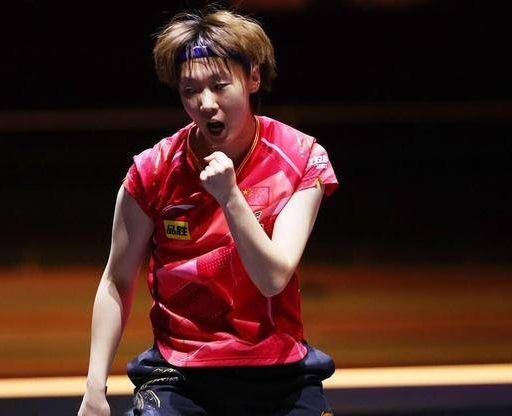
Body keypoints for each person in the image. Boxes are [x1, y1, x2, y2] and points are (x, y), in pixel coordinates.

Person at [78, 8, 339, 416]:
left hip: (278, 372)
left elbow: (272, 278)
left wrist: (230, 196)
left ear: (253, 78)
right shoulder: (152, 171)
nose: (205, 104)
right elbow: (117, 279)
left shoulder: (301, 157)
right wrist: (94, 388)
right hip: (179, 375)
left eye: (220, 86)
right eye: (190, 91)